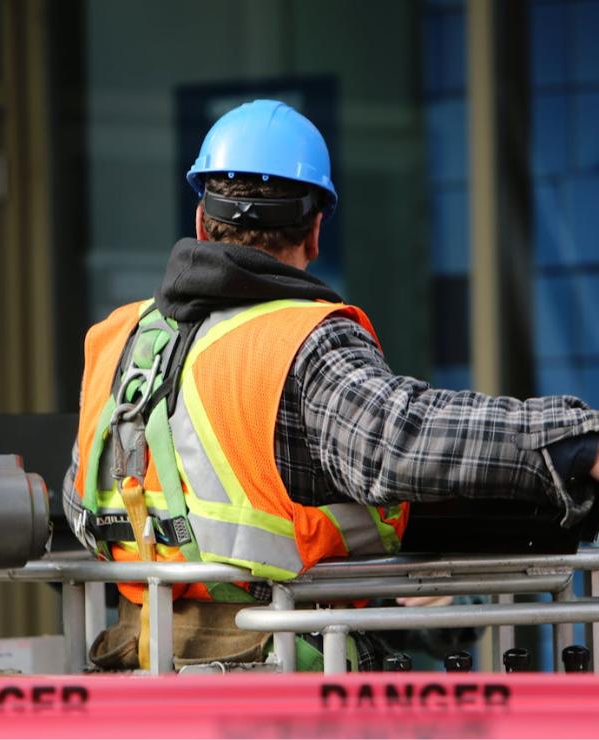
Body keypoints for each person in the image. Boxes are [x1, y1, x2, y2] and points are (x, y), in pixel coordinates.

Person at [63, 99, 599, 672]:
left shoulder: (118, 339)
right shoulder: (300, 339)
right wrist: (577, 444)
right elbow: (400, 439)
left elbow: (81, 505)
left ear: (200, 222)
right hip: (279, 678)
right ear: (315, 232)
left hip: (136, 676)